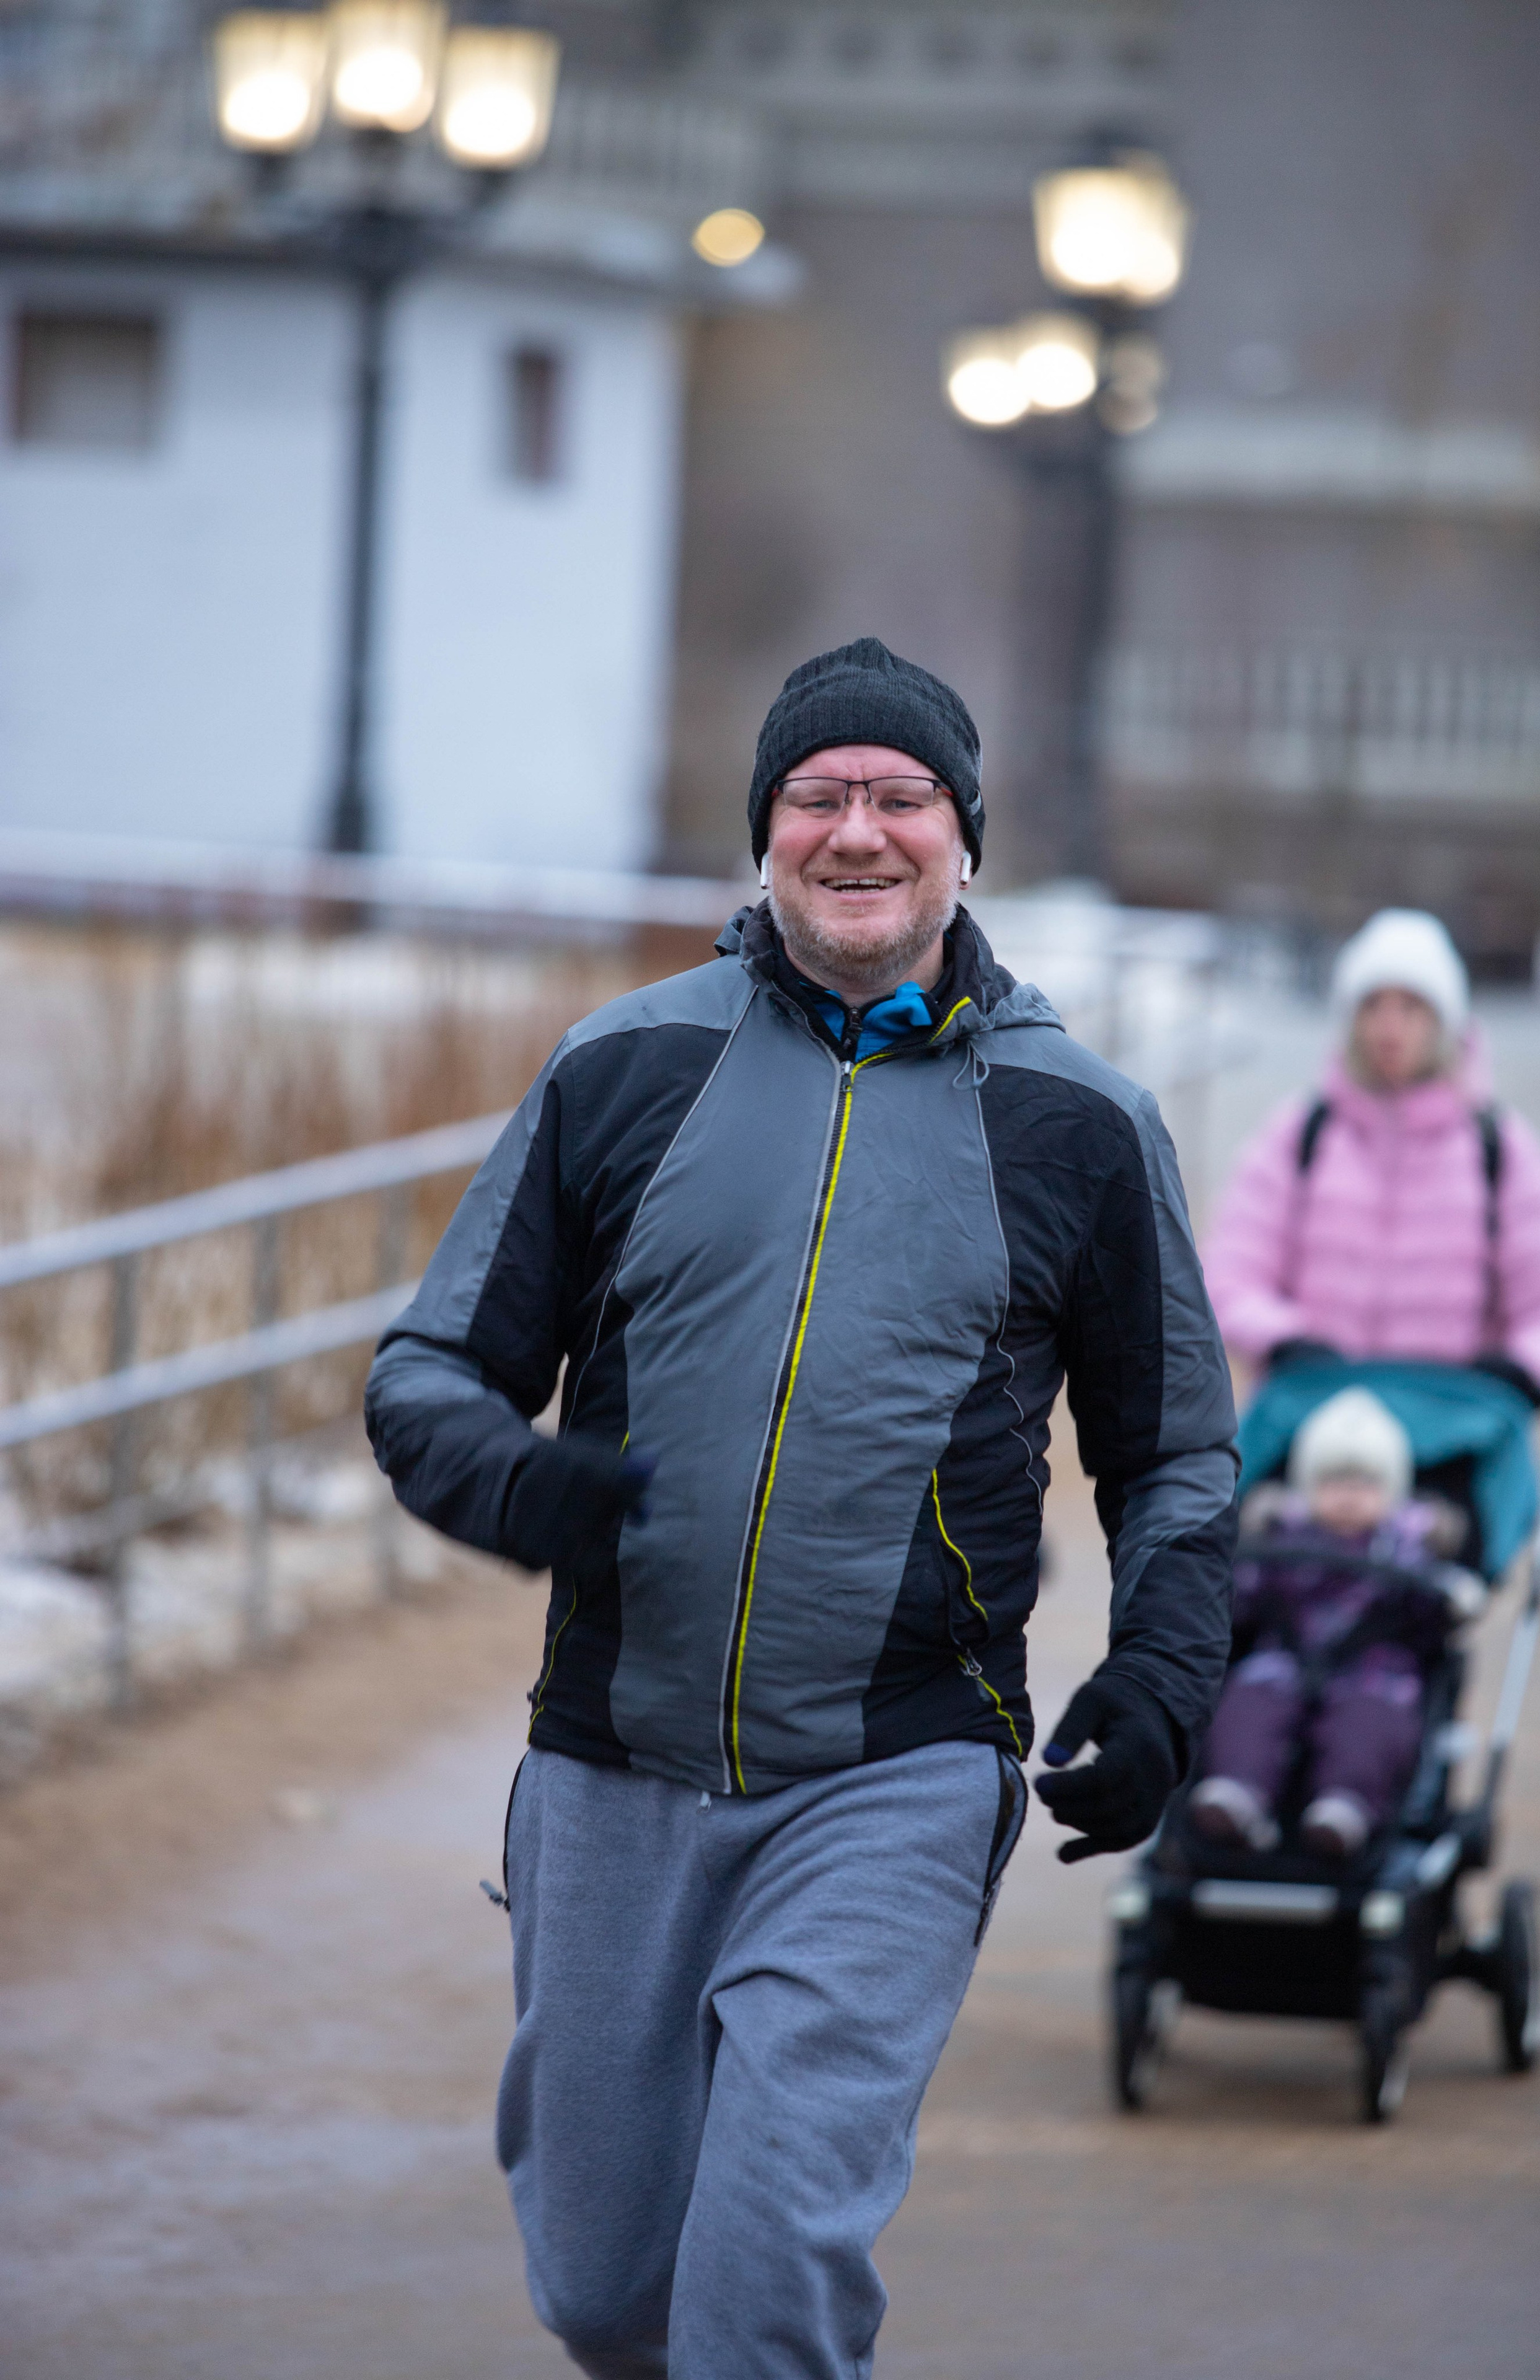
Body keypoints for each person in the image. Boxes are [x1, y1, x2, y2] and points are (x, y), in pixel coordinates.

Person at [365, 636, 1238, 2380]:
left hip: (900, 1769)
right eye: (818, 795)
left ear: (964, 841)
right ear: (764, 836)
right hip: (613, 1758)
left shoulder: (1080, 1122)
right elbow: (425, 1376)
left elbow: (1179, 1458)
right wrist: (526, 1485)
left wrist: (1160, 1682)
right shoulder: (620, 1068)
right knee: (611, 2289)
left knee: (765, 2281)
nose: (860, 831)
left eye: (901, 797)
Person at [1202, 907, 1540, 1401]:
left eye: (1412, 1006)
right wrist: (1285, 1340)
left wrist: (1519, 1368)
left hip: (1454, 1434)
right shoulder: (1300, 1134)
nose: (1390, 1025)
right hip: (1315, 1431)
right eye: (1373, 1005)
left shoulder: (1501, 1149)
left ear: (1445, 1020)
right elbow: (1230, 1272)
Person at [1191, 1387, 1477, 1859]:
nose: (1348, 1498)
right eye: (1332, 1483)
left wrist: (1448, 1602)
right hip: (1285, 1659)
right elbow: (1246, 1599)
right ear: (1307, 1486)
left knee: (1370, 1724)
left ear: (1392, 1491)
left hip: (1374, 1670)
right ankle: (1235, 1793)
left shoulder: (1405, 1546)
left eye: (1365, 1485)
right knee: (1246, 1703)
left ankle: (1347, 1807)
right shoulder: (1283, 1535)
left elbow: (1430, 1622)